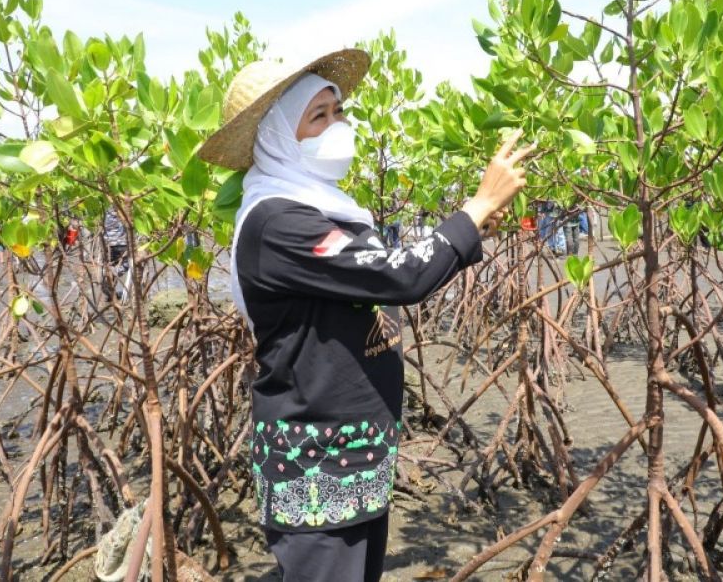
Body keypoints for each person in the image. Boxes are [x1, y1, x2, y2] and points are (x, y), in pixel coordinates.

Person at [196, 49, 528, 582]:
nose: (337, 126)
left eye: (339, 111)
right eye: (318, 116)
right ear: (278, 137)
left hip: (358, 451)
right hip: (314, 462)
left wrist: (472, 230)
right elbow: (401, 275)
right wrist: (475, 208)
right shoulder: (277, 223)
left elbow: (379, 268)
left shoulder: (324, 210)